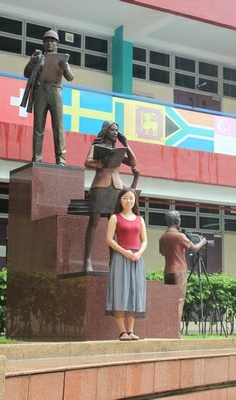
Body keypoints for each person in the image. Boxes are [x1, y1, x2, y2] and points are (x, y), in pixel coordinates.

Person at [83, 121, 139, 272]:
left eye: (116, 130)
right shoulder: (97, 147)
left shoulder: (118, 150)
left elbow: (133, 162)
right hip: (100, 186)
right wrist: (101, 163)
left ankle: (113, 262)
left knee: (113, 226)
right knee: (93, 222)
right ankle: (87, 260)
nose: (114, 132)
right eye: (112, 130)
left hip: (116, 188)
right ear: (106, 131)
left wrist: (126, 143)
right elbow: (87, 162)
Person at [23, 29, 74, 166]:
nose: (49, 43)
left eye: (52, 41)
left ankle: (61, 159)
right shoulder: (38, 57)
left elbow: (70, 77)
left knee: (58, 126)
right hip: (40, 92)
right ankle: (37, 157)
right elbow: (26, 73)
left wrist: (66, 68)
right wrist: (32, 62)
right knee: (38, 127)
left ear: (57, 44)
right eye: (47, 41)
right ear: (43, 43)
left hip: (55, 92)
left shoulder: (61, 59)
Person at [105, 187, 147, 341]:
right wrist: (124, 252)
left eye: (131, 198)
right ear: (120, 200)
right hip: (121, 258)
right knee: (120, 292)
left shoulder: (140, 219)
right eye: (125, 198)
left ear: (135, 200)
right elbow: (109, 239)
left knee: (134, 293)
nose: (128, 201)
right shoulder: (115, 218)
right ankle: (122, 332)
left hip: (136, 259)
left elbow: (145, 240)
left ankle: (131, 331)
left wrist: (139, 253)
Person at [159, 210, 207, 325]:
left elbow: (162, 252)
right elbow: (194, 249)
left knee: (169, 302)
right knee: (179, 301)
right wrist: (203, 242)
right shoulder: (179, 236)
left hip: (167, 271)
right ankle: (175, 330)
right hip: (179, 271)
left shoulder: (163, 237)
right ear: (177, 221)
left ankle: (168, 328)